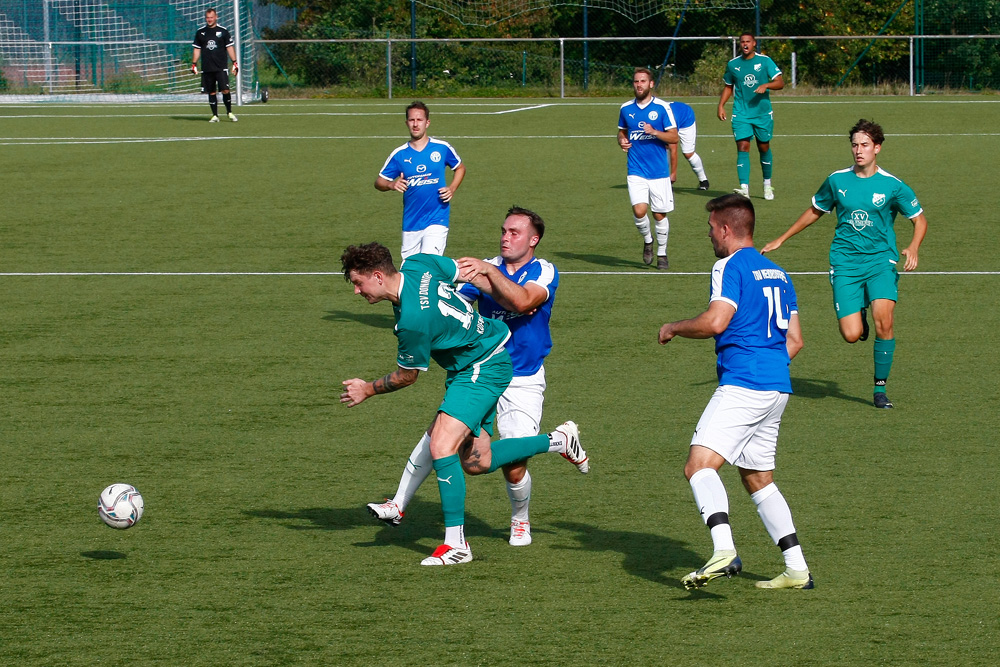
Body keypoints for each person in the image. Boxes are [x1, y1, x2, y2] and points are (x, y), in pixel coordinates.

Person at [341, 243, 587, 566]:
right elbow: (464, 271)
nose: (357, 292)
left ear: (377, 276)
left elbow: (407, 377)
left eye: (359, 283)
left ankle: (456, 543)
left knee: (442, 443)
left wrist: (368, 389)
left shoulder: (412, 321)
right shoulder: (417, 264)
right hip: (475, 362)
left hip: (481, 367)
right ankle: (559, 441)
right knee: (476, 462)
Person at [366, 207, 559, 547]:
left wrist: (488, 274)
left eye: (514, 232)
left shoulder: (541, 270)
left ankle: (519, 518)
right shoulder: (485, 267)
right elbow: (452, 303)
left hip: (522, 375)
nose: (505, 237)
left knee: (512, 467)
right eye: (503, 230)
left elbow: (521, 301)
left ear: (533, 239)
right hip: (477, 369)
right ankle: (400, 505)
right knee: (461, 452)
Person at [659, 193, 812, 591]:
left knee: (699, 466)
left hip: (745, 384)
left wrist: (674, 327)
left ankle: (723, 549)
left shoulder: (728, 265)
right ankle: (796, 568)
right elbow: (794, 340)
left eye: (712, 228)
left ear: (726, 229)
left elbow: (715, 321)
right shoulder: (779, 273)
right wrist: (767, 365)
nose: (709, 235)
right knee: (758, 478)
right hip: (777, 386)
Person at [762, 119, 928, 409]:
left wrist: (913, 246)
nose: (858, 150)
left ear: (877, 148)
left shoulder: (892, 185)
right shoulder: (837, 180)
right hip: (845, 262)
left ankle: (880, 389)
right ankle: (858, 315)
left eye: (864, 145)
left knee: (884, 321)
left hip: (880, 260)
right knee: (851, 335)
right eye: (854, 145)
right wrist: (782, 239)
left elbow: (919, 219)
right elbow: (816, 210)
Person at [376, 101, 466, 259]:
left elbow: (460, 168)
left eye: (419, 120)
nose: (415, 124)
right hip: (411, 223)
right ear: (406, 123)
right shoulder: (399, 154)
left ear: (427, 123)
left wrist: (452, 188)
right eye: (412, 120)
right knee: (411, 272)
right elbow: (379, 182)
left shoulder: (442, 147)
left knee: (429, 265)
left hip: (437, 219)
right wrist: (391, 184)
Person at [617, 67, 679, 270]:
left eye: (643, 81)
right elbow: (621, 132)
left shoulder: (662, 108)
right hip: (636, 169)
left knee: (659, 215)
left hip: (659, 171)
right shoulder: (626, 108)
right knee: (639, 209)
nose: (639, 85)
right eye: (636, 81)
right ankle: (647, 239)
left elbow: (674, 137)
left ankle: (662, 253)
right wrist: (622, 141)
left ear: (651, 84)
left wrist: (655, 132)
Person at [717, 33, 784, 200]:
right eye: (742, 42)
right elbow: (728, 86)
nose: (745, 44)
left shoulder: (765, 61)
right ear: (740, 44)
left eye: (748, 42)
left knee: (764, 147)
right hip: (741, 113)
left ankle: (767, 185)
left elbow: (780, 82)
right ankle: (744, 188)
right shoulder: (733, 65)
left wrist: (766, 85)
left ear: (754, 43)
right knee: (743, 147)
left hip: (762, 113)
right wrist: (721, 105)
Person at [191, 8, 239, 123]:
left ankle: (229, 112)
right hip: (207, 67)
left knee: (225, 90)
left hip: (221, 67)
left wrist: (234, 62)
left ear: (216, 17)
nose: (209, 20)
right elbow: (197, 49)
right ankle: (215, 115)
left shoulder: (223, 31)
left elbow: (229, 47)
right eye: (207, 18)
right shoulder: (200, 32)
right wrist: (194, 63)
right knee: (211, 91)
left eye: (211, 17)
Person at [667, 101, 710, 191]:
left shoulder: (669, 120)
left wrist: (673, 174)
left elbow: (673, 148)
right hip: (675, 114)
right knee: (660, 149)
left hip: (685, 117)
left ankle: (703, 180)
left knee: (688, 153)